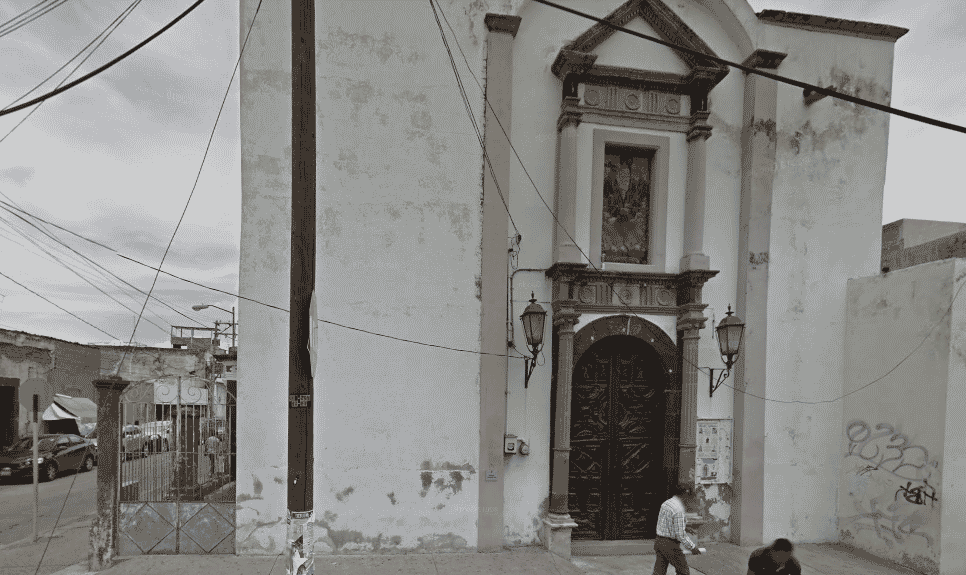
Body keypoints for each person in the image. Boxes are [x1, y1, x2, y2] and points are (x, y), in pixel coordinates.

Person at [653, 483, 702, 575]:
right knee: (683, 571)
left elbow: (666, 523)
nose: (689, 499)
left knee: (659, 572)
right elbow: (680, 535)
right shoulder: (678, 508)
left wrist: (685, 527)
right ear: (685, 494)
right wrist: (692, 547)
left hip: (659, 541)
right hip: (670, 545)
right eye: (689, 496)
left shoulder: (666, 503)